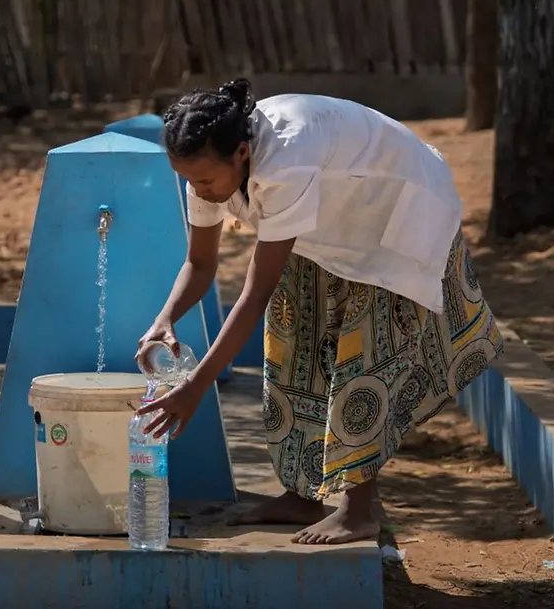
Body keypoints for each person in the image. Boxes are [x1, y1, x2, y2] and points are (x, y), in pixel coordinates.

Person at [135, 79, 504, 545]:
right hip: (330, 223)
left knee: (363, 353)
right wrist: (164, 319)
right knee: (295, 336)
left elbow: (254, 292)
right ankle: (302, 494)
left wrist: (195, 388)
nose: (200, 191)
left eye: (205, 180)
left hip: (397, 217)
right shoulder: (207, 168)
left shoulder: (287, 156)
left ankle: (357, 510)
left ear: (243, 153)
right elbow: (200, 263)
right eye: (189, 180)